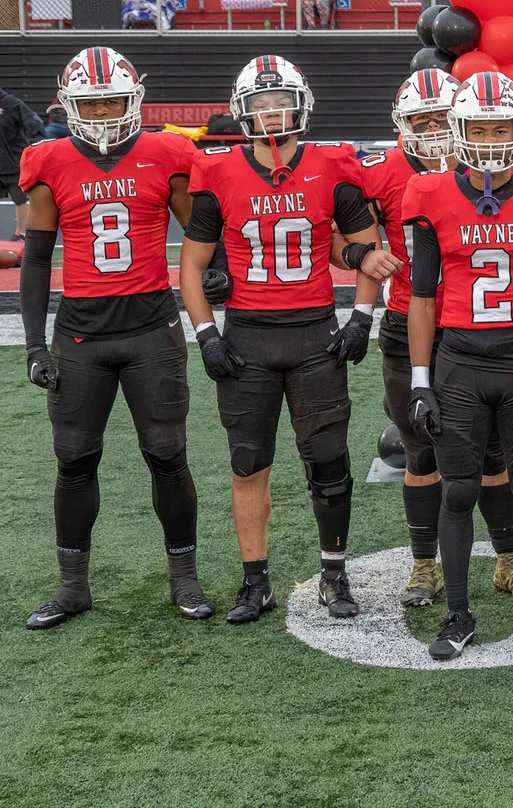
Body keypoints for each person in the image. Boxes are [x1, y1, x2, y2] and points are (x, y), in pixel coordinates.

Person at [178, 55, 400, 625]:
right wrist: (206, 334)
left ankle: (334, 573)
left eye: (281, 103)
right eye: (261, 105)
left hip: (314, 336)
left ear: (300, 106)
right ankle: (257, 582)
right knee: (248, 462)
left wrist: (360, 320)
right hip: (248, 337)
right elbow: (191, 264)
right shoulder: (220, 171)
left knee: (328, 461)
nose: (272, 114)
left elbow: (369, 253)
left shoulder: (333, 166)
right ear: (242, 111)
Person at [18, 48, 211, 630]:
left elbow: (200, 231)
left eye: (112, 101)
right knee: (74, 460)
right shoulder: (49, 160)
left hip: (152, 328)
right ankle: (72, 586)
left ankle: (184, 578)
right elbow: (35, 260)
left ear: (134, 101)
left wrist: (218, 269)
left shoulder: (167, 153)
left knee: (167, 455)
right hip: (81, 335)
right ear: (70, 106)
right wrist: (33, 343)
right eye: (91, 102)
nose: (102, 113)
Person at [403, 72, 513, 662]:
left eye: (499, 127)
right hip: (459, 361)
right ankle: (457, 614)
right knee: (457, 491)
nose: (489, 137)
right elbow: (422, 297)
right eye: (477, 127)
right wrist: (420, 381)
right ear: (458, 130)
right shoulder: (428, 194)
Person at [361, 70, 513, 609]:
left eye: (441, 118)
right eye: (420, 120)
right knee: (419, 451)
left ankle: (507, 559)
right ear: (400, 124)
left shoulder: (492, 168)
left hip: (469, 327)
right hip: (404, 321)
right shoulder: (377, 173)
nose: (432, 129)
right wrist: (359, 255)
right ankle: (424, 567)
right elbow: (342, 227)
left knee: (492, 452)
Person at [0, 87, 44, 240]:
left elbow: (35, 123)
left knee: (20, 199)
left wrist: (33, 148)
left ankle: (21, 233)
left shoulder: (11, 104)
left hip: (13, 162)